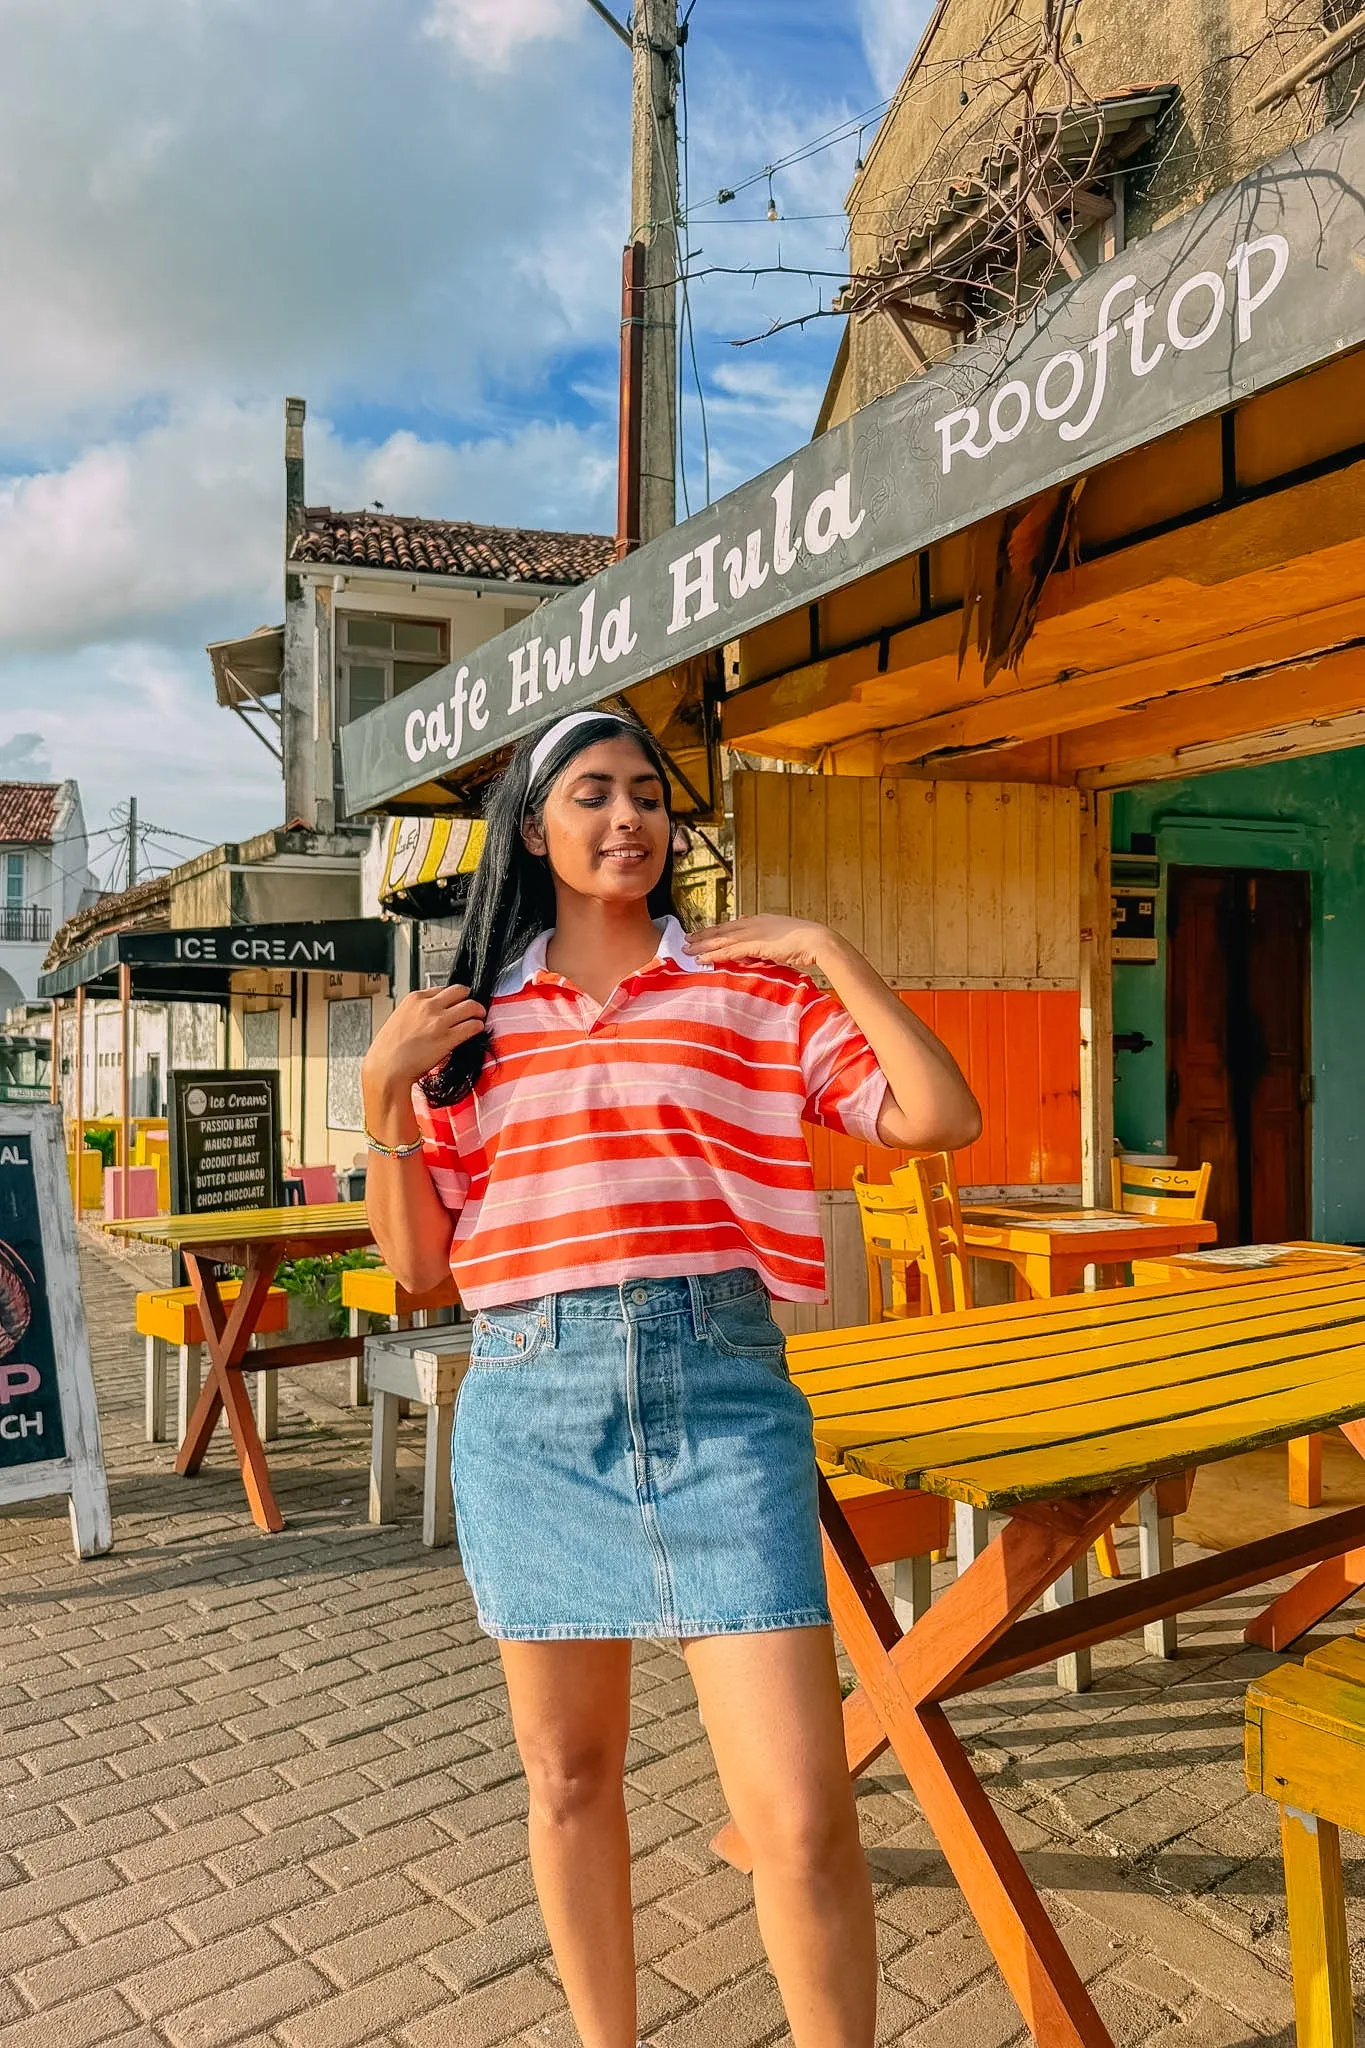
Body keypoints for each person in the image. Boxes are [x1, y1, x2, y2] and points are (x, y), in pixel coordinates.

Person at [360, 709, 981, 2048]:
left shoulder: (749, 993)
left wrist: (827, 950)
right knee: (571, 1783)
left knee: (802, 1819)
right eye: (593, 794)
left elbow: (939, 1117)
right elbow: (420, 1271)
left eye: (649, 794)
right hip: (533, 1407)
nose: (628, 818)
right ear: (535, 826)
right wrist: (381, 1107)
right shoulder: (472, 1025)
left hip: (723, 1402)